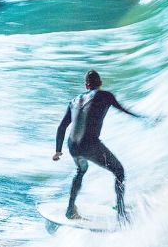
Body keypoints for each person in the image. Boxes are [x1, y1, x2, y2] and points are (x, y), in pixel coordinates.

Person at [53, 70, 142, 223]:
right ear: (100, 83)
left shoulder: (74, 101)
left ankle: (70, 210)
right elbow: (124, 110)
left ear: (86, 85)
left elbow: (62, 127)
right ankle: (121, 213)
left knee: (81, 170)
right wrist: (143, 118)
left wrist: (58, 151)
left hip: (72, 145)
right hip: (90, 145)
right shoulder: (105, 95)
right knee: (119, 171)